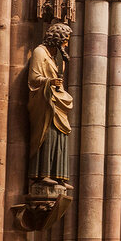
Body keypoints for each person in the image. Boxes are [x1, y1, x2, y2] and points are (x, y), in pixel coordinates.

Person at [28, 23, 74, 185]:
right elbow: (34, 79)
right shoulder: (39, 52)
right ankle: (42, 173)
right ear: (57, 38)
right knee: (47, 135)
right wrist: (50, 81)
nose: (67, 44)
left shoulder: (55, 57)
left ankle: (58, 176)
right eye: (66, 40)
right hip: (45, 102)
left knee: (60, 136)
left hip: (57, 101)